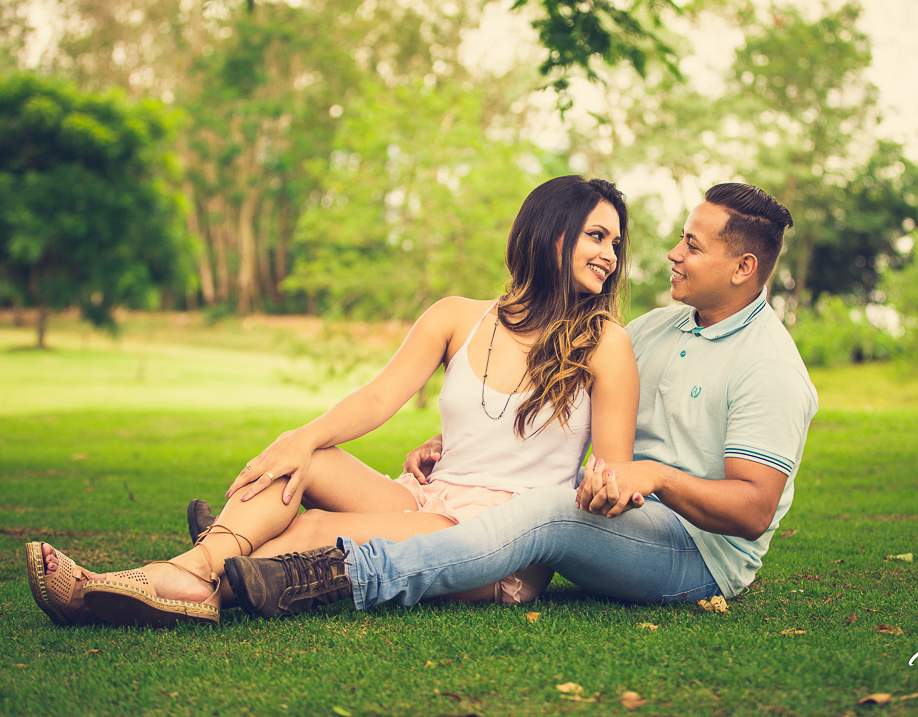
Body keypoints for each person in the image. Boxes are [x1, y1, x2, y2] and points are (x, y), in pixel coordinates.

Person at [24, 175, 640, 627]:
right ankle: (203, 566)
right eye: (596, 235)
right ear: (548, 232)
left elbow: (608, 475)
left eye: (615, 243)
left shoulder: (604, 344)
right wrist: (303, 437)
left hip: (497, 542)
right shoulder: (458, 317)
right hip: (428, 498)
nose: (610, 257)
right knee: (307, 459)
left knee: (314, 523)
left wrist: (604, 487)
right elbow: (378, 397)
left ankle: (151, 581)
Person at [220, 182, 818, 617]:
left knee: (548, 509)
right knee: (543, 504)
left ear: (744, 266)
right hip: (621, 508)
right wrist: (467, 441)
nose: (672, 254)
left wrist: (655, 476)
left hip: (697, 553)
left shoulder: (770, 367)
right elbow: (582, 417)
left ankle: (340, 573)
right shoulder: (655, 329)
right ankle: (234, 553)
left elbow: (752, 511)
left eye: (692, 244)